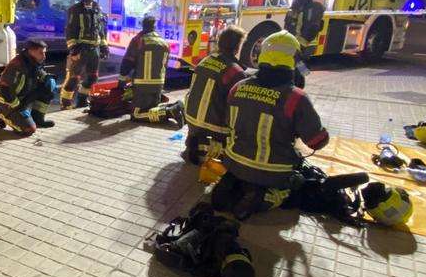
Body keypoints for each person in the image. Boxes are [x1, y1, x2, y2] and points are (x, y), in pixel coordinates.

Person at [213, 31, 329, 220]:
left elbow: (228, 122)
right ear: (293, 60)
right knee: (299, 185)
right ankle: (266, 197)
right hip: (274, 171)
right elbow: (316, 141)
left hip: (234, 161)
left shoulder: (238, 87)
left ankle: (233, 185)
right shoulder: (296, 98)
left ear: (261, 55)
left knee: (238, 175)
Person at [182, 26, 248, 164]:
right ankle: (201, 146)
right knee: (243, 149)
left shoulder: (205, 60)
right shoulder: (235, 72)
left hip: (191, 119)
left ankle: (194, 141)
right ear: (237, 47)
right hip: (212, 126)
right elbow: (240, 107)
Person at [117, 16, 184, 127]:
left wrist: (121, 83)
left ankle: (168, 112)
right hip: (159, 85)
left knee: (136, 114)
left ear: (142, 26)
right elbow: (165, 66)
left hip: (142, 85)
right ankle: (174, 107)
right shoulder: (164, 42)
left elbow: (127, 64)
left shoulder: (139, 40)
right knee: (151, 110)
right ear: (155, 27)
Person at [60, 0, 108, 109]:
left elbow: (101, 29)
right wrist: (73, 49)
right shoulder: (75, 10)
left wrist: (104, 46)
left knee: (92, 77)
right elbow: (70, 30)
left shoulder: (98, 9)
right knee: (74, 78)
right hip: (81, 49)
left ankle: (82, 100)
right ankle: (65, 103)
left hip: (95, 49)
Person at [0, 39, 55, 135]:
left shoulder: (34, 60)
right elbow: (5, 90)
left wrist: (47, 80)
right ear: (31, 51)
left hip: (23, 95)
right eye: (41, 53)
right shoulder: (17, 66)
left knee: (49, 83)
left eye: (44, 53)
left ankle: (38, 119)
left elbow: (40, 73)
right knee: (29, 129)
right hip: (9, 100)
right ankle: (3, 115)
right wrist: (18, 107)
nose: (44, 56)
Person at [284, 0, 325, 88]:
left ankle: (298, 93)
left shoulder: (315, 3)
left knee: (298, 71)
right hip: (291, 42)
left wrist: (301, 45)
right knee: (292, 70)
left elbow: (313, 27)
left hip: (301, 45)